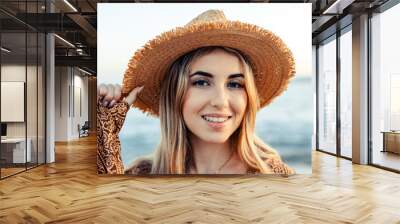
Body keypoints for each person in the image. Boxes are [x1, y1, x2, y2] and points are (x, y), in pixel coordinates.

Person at [97, 9, 296, 175]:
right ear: (174, 93)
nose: (221, 101)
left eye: (235, 84)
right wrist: (107, 132)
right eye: (201, 82)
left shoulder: (274, 173)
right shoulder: (142, 173)